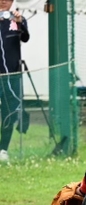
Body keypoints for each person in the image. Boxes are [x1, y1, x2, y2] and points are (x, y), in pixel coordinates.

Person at [0, 0, 27, 162]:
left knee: (9, 112)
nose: (3, 2)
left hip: (12, 76)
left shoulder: (17, 20)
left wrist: (20, 23)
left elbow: (25, 38)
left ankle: (3, 149)